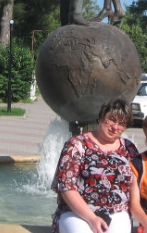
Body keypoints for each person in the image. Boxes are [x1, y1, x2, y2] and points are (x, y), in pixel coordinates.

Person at [51, 98, 139, 233]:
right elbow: (66, 186)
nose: (115, 127)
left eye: (121, 123)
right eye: (111, 120)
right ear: (102, 117)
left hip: (117, 213)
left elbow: (137, 186)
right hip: (77, 213)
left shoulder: (129, 148)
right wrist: (91, 218)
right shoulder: (77, 144)